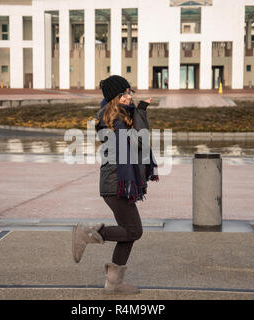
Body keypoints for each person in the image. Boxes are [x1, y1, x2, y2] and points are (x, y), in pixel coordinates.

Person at [72, 75, 159, 295]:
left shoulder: (116, 117)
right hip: (117, 184)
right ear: (116, 97)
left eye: (130, 92)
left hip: (117, 183)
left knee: (128, 232)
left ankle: (114, 283)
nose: (130, 96)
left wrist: (138, 112)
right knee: (133, 230)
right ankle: (88, 233)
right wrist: (140, 112)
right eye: (125, 93)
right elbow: (141, 141)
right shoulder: (115, 121)